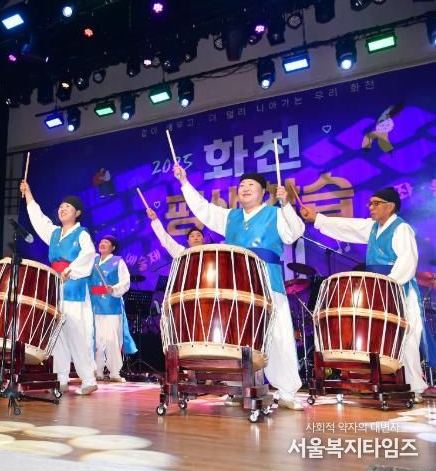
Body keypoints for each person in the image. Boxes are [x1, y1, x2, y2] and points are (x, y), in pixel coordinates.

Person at [173, 164, 306, 410]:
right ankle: (237, 388)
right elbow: (203, 209)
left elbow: (294, 233)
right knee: (236, 335)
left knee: (278, 335)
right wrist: (184, 182)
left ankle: (287, 391)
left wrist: (286, 205)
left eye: (251, 185)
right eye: (242, 185)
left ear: (263, 192)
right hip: (236, 284)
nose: (245, 188)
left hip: (267, 280)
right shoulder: (230, 217)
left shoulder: (275, 213)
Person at [301, 187, 431, 402]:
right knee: (382, 336)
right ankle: (381, 380)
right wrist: (317, 219)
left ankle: (415, 387)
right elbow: (348, 227)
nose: (371, 207)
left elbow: (407, 261)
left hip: (397, 287)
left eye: (376, 203)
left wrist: (389, 284)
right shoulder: (373, 227)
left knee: (406, 337)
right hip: (379, 288)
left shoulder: (401, 228)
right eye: (370, 203)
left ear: (390, 206)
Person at [20, 180, 98, 395]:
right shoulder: (54, 233)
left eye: (68, 207)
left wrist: (70, 270)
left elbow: (89, 254)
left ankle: (88, 379)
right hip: (56, 286)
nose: (62, 209)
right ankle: (61, 378)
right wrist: (29, 193)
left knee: (76, 333)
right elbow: (38, 218)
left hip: (74, 285)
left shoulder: (81, 234)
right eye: (61, 206)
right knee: (58, 335)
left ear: (77, 213)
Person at [89, 235, 137, 382]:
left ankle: (115, 372)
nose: (102, 243)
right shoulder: (93, 260)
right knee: (96, 340)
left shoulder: (118, 261)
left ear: (113, 247)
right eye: (101, 242)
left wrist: (114, 288)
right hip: (94, 304)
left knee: (111, 339)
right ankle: (97, 371)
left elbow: (125, 281)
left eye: (106, 242)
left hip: (111, 304)